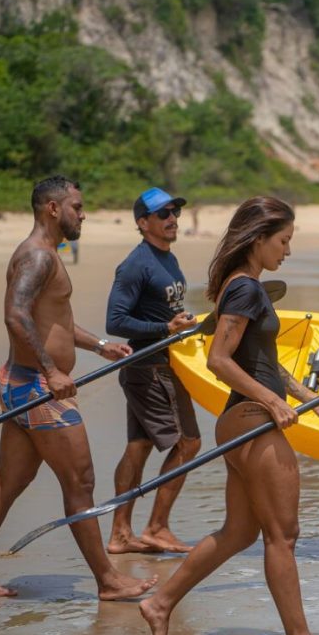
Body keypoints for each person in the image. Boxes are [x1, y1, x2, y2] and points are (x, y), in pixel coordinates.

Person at [140, 196, 319, 635]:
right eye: (283, 241)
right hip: (251, 423)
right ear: (258, 240)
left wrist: (311, 402)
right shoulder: (245, 290)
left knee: (239, 532)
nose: (287, 252)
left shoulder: (244, 288)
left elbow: (263, 364)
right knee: (284, 535)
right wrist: (273, 402)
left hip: (241, 421)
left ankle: (159, 602)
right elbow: (219, 360)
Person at [0, 175, 158, 600]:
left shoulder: (45, 255)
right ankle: (108, 580)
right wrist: (52, 372)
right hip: (35, 390)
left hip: (21, 383)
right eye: (77, 207)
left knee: (8, 483)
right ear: (52, 208)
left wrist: (100, 346)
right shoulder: (38, 257)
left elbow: (56, 323)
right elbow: (16, 316)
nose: (82, 215)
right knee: (80, 481)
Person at [105, 188, 202, 554]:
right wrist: (166, 330)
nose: (172, 218)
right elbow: (115, 321)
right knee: (189, 442)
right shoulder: (136, 264)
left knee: (139, 445)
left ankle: (120, 534)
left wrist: (179, 323)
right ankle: (157, 528)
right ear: (143, 223)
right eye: (163, 214)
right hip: (149, 368)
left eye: (175, 211)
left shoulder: (167, 258)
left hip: (160, 364)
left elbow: (163, 311)